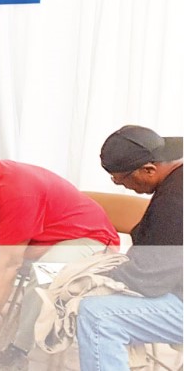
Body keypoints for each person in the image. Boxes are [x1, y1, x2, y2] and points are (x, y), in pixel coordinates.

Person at [0, 154, 120, 369]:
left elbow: (9, 264)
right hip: (31, 245)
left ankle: (18, 352)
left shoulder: (16, 190)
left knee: (45, 271)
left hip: (86, 240)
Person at [74, 126, 183, 371]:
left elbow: (150, 281)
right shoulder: (176, 180)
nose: (122, 185)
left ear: (149, 169)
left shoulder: (176, 201)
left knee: (96, 314)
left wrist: (100, 274)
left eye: (123, 180)